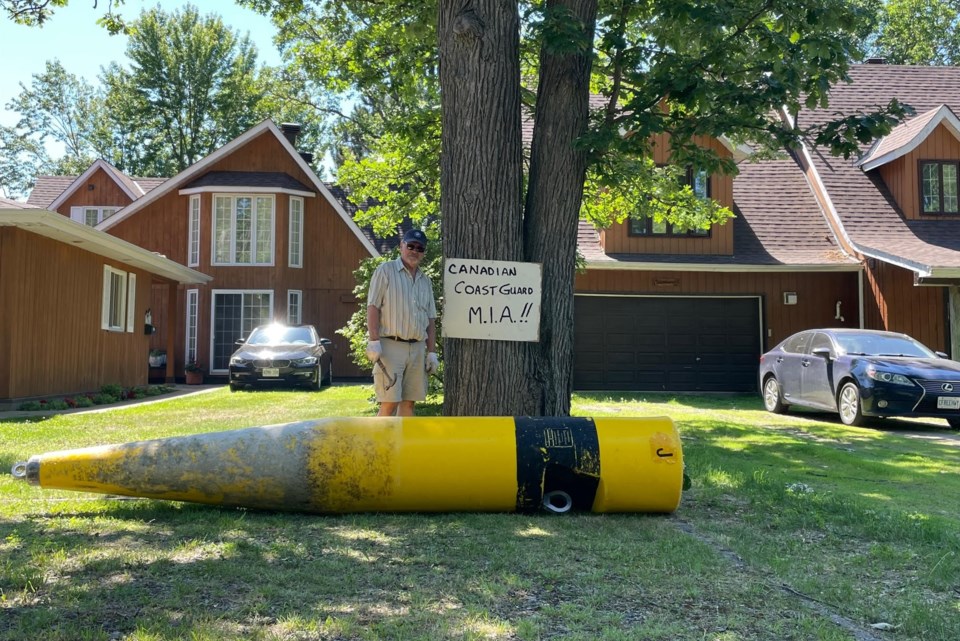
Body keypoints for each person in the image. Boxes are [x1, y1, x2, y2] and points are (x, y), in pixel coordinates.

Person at [366, 228, 439, 416]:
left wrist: (431, 353)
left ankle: (401, 446)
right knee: (389, 404)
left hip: (417, 348)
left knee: (408, 405)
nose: (414, 251)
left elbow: (430, 319)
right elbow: (373, 307)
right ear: (401, 246)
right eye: (411, 246)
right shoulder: (386, 270)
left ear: (423, 252)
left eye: (419, 248)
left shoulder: (425, 280)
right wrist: (374, 341)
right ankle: (379, 446)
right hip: (391, 346)